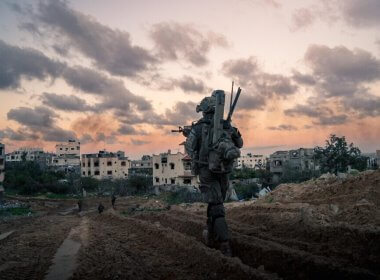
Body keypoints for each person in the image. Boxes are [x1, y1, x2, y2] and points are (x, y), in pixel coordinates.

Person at [185, 90, 243, 257]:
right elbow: (239, 143)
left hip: (207, 171)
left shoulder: (199, 127)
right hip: (223, 171)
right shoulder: (227, 126)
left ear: (205, 110)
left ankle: (224, 244)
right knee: (216, 204)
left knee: (216, 207)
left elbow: (189, 148)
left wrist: (196, 152)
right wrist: (232, 129)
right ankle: (212, 235)